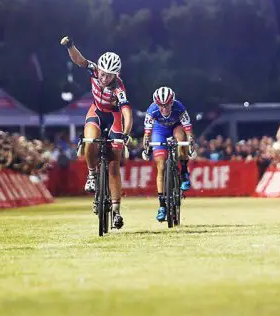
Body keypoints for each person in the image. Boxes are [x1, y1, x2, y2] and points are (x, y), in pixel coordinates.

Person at [60, 35, 133, 230]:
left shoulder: (118, 87)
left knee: (114, 164)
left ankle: (117, 211)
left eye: (109, 75)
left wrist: (125, 134)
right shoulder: (94, 70)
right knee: (90, 139)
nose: (104, 77)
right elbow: (80, 60)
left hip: (114, 116)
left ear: (115, 75)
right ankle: (92, 175)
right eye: (102, 73)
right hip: (96, 112)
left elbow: (126, 111)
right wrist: (70, 46)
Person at [142, 86, 194, 222]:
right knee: (161, 166)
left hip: (176, 127)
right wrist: (146, 148)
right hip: (159, 130)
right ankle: (162, 206)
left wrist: (190, 143)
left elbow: (188, 130)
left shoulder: (179, 107)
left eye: (167, 105)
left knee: (181, 139)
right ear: (156, 104)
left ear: (172, 102)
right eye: (161, 106)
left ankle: (184, 172)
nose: (164, 109)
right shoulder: (152, 110)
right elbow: (147, 135)